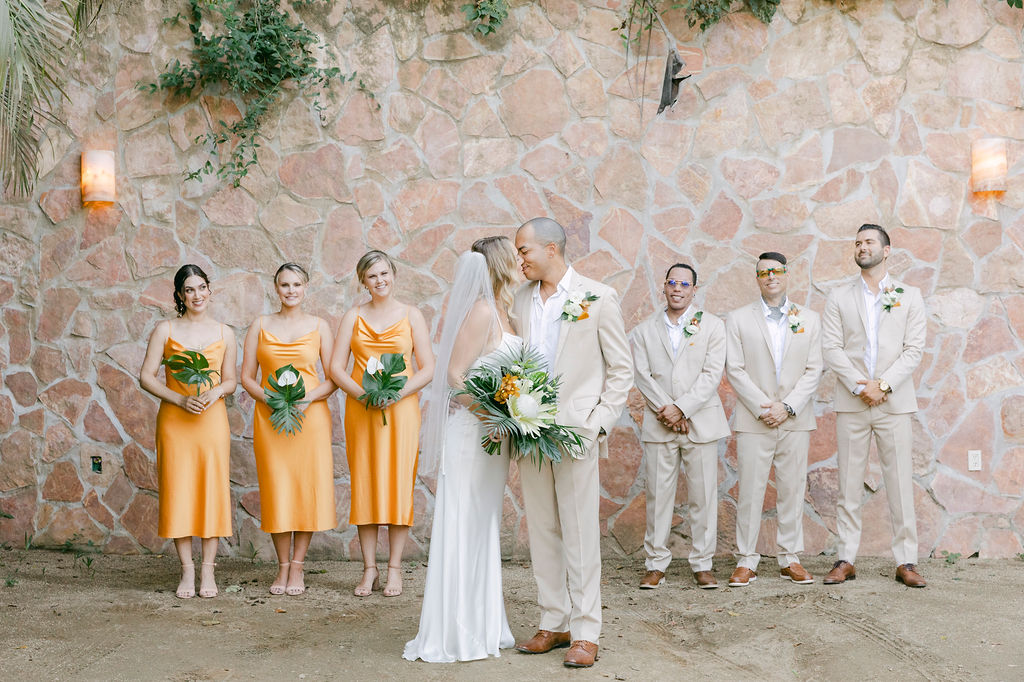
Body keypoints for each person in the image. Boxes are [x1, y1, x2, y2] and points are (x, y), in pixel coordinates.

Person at [510, 218, 632, 669]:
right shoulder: (521, 299)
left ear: (551, 249)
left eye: (524, 250)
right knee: (542, 530)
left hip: (576, 434)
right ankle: (553, 621)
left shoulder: (598, 297)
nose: (519, 258)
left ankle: (585, 630)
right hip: (529, 431)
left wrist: (598, 424)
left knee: (580, 534)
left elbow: (621, 370)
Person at [403, 236, 520, 663]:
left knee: (482, 525)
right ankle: (455, 631)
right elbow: (454, 375)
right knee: (464, 524)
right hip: (474, 435)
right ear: (499, 263)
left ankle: (485, 623)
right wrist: (493, 415)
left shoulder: (506, 311)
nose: (520, 260)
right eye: (514, 254)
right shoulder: (483, 312)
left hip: (495, 438)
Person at [822, 224, 927, 588]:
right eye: (857, 242)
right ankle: (845, 557)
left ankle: (907, 561)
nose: (861, 246)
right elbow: (832, 348)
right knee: (848, 485)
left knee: (899, 482)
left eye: (868, 242)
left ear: (886, 251)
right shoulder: (839, 297)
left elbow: (914, 349)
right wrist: (860, 386)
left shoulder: (909, 295)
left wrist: (882, 385)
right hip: (852, 402)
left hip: (893, 403)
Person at [330, 250, 434, 598]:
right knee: (366, 483)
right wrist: (363, 395)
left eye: (385, 273)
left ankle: (394, 570)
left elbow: (427, 368)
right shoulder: (353, 316)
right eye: (372, 276)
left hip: (401, 410)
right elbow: (336, 368)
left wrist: (398, 393)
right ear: (363, 281)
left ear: (394, 275)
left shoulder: (411, 315)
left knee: (398, 484)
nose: (380, 281)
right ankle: (369, 569)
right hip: (363, 409)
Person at [724, 253, 822, 588]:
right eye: (763, 272)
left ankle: (789, 558)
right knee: (750, 490)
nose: (770, 276)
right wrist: (763, 406)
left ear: (787, 274)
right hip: (756, 419)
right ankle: (746, 559)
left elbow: (814, 369)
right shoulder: (738, 319)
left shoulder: (809, 318)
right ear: (757, 278)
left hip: (795, 419)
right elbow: (734, 368)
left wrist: (789, 406)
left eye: (776, 271)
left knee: (792, 491)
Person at [139, 264, 237, 599]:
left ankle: (208, 571)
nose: (197, 295)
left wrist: (217, 392)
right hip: (175, 420)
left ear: (210, 290)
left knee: (211, 490)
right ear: (180, 295)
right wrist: (180, 399)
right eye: (189, 289)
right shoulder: (165, 329)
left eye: (202, 287)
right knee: (178, 490)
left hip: (211, 420)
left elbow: (232, 380)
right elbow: (147, 376)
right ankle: (187, 570)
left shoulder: (226, 332)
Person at [631, 263, 729, 591]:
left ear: (694, 290)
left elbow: (712, 374)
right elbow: (642, 375)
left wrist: (683, 408)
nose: (677, 288)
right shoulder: (645, 330)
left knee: (703, 496)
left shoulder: (712, 326)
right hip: (661, 424)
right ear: (664, 286)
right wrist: (668, 411)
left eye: (684, 284)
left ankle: (702, 563)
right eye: (672, 282)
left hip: (700, 422)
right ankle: (656, 563)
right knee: (658, 497)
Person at [240, 263, 337, 596]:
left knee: (305, 488)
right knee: (277, 488)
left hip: (309, 418)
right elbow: (246, 377)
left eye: (297, 284)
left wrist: (307, 399)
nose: (291, 290)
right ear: (276, 288)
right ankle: (281, 566)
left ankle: (297, 566)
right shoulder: (260, 325)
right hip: (270, 418)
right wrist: (269, 398)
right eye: (285, 285)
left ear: (306, 287)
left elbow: (334, 377)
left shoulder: (320, 326)